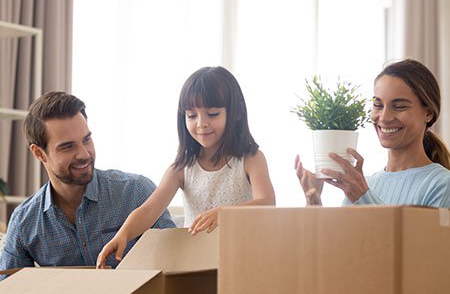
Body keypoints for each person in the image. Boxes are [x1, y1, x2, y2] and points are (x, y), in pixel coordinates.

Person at [96, 66, 276, 268]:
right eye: (191, 116)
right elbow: (149, 209)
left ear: (236, 113)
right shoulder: (181, 168)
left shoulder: (251, 158)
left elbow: (266, 202)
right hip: (198, 264)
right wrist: (123, 234)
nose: (201, 123)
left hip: (245, 258)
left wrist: (224, 213)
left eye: (213, 114)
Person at [0, 92, 175, 280]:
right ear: (40, 154)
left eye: (86, 140)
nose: (83, 154)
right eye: (68, 146)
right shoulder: (24, 222)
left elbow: (176, 265)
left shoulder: (137, 192)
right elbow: (7, 285)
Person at [295, 58, 450, 207]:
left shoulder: (442, 183)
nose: (384, 117)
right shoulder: (364, 185)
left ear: (428, 113)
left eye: (400, 106)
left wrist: (363, 196)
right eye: (378, 105)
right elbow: (344, 236)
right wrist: (314, 202)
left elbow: (421, 235)